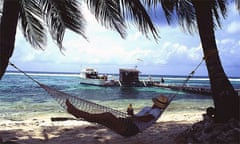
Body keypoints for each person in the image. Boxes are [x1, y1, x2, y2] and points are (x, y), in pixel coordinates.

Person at [65, 94, 169, 137]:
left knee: (107, 115)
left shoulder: (156, 111)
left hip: (130, 129)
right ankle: (77, 113)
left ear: (156, 103)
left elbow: (147, 119)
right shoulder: (148, 108)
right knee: (101, 118)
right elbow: (135, 117)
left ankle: (76, 112)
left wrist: (134, 117)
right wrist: (131, 113)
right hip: (127, 123)